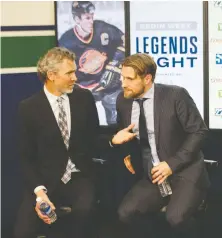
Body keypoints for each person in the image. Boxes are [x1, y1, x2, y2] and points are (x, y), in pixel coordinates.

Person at [109, 53, 210, 237]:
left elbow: (199, 131)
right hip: (153, 176)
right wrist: (126, 152)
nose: (123, 83)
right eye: (122, 77)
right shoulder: (123, 100)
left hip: (185, 171)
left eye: (129, 79)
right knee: (126, 213)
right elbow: (128, 134)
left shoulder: (175, 95)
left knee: (176, 218)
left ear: (147, 78)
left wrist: (171, 164)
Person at [14, 47, 100, 238]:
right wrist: (39, 193)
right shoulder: (28, 108)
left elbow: (95, 136)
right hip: (44, 180)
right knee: (23, 231)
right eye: (69, 73)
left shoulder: (83, 98)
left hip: (79, 176)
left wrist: (113, 140)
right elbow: (25, 156)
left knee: (84, 214)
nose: (75, 77)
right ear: (51, 75)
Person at [59, 1, 125, 125]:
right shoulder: (66, 42)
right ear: (77, 19)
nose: (91, 21)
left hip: (107, 84)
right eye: (87, 18)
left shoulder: (103, 29)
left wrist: (115, 64)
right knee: (80, 124)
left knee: (116, 115)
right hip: (81, 88)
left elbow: (125, 40)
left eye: (92, 16)